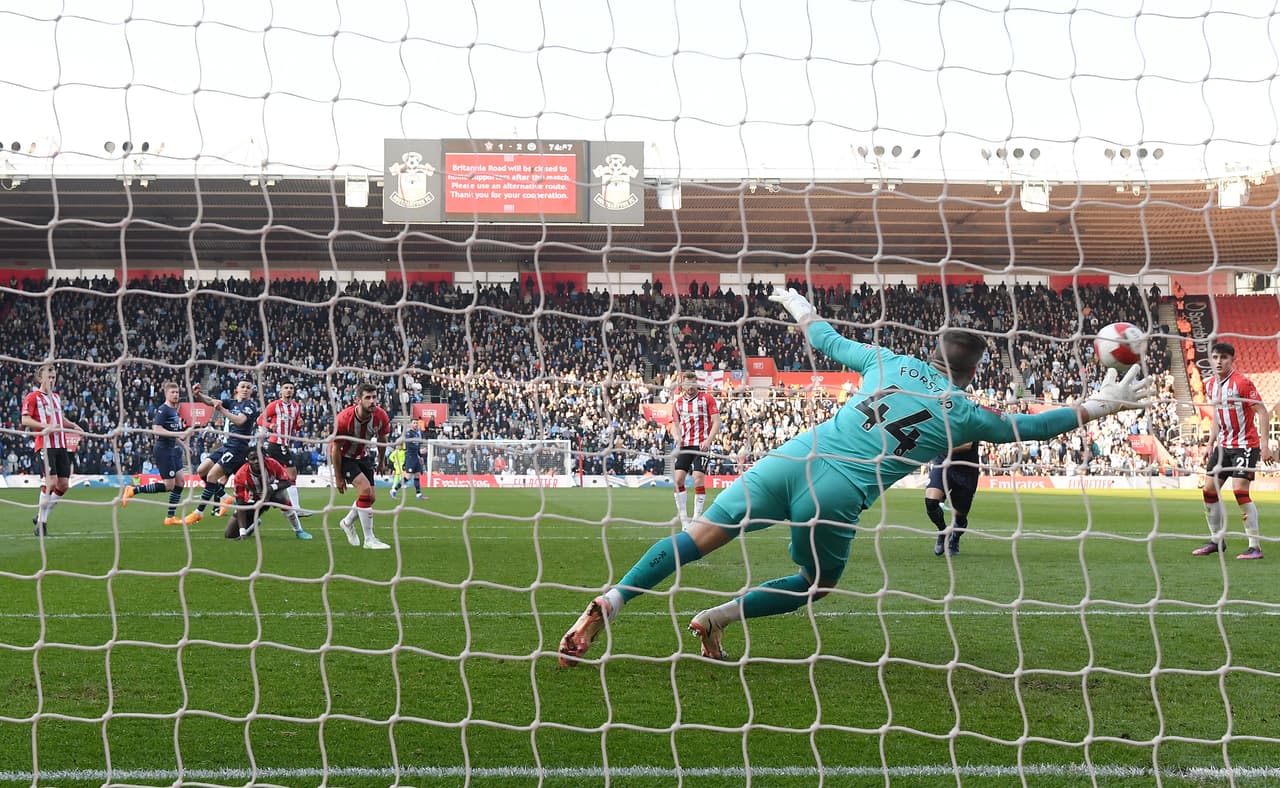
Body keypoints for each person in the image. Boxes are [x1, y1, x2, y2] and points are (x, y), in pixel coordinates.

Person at [558, 288, 1154, 666]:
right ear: (973, 372)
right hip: (837, 493)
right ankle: (716, 619)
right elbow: (1032, 426)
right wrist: (1097, 407)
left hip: (790, 458)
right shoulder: (965, 411)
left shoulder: (888, 360)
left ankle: (610, 602)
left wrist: (801, 307)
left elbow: (826, 339)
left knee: (695, 539)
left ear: (933, 350)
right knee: (814, 583)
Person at [1192, 342, 1274, 559]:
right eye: (1215, 357)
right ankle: (1216, 541)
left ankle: (1255, 547)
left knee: (1239, 491)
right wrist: (1210, 443)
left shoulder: (1242, 383)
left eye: (1224, 358)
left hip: (1245, 445)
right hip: (1223, 447)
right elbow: (1218, 417)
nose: (1219, 362)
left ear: (1231, 360)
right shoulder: (1210, 385)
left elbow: (1262, 412)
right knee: (1209, 491)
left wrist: (1265, 445)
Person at [20, 364, 86, 537]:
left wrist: (73, 426)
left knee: (63, 485)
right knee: (51, 482)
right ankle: (41, 524)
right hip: (45, 445)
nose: (51, 380)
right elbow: (25, 420)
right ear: (40, 379)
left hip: (61, 445)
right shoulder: (32, 397)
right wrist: (45, 426)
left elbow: (60, 418)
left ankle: (41, 516)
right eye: (48, 377)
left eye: (53, 377)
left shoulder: (56, 397)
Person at [184, 379, 260, 525]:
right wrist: (198, 395)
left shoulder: (250, 405)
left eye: (248, 387)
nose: (245, 389)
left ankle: (198, 512)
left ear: (251, 391)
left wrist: (222, 410)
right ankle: (225, 497)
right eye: (243, 386)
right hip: (227, 445)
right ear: (237, 389)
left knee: (212, 476)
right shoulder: (232, 402)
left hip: (238, 447)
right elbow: (211, 402)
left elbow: (240, 420)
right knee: (201, 470)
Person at [332, 382, 392, 550]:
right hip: (344, 457)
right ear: (358, 400)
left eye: (374, 397)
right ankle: (369, 539)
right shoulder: (344, 419)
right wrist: (338, 477)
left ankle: (347, 522)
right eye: (367, 398)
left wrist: (381, 461)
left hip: (363, 456)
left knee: (371, 497)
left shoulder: (380, 416)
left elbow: (382, 439)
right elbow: (335, 449)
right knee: (365, 491)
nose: (372, 401)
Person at [121, 380, 188, 525]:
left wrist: (183, 445)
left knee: (180, 482)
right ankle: (133, 490)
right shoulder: (163, 410)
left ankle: (170, 517)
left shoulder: (174, 411)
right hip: (164, 450)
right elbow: (157, 429)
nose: (176, 395)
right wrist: (178, 434)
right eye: (173, 392)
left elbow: (172, 433)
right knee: (169, 486)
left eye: (177, 392)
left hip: (173, 450)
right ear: (166, 394)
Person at [222, 446, 312, 540]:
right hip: (252, 502)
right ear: (247, 460)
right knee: (229, 534)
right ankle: (253, 525)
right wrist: (242, 532)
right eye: (253, 459)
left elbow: (287, 482)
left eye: (259, 458)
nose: (257, 461)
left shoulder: (273, 464)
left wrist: (272, 488)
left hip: (271, 495)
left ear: (264, 457)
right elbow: (240, 505)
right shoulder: (240, 476)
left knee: (281, 498)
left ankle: (299, 530)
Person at [670, 371, 722, 530]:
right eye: (687, 384)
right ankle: (684, 519)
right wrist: (677, 437)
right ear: (683, 384)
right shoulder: (678, 403)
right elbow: (675, 425)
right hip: (685, 445)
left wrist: (708, 441)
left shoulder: (707, 399)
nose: (690, 387)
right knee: (678, 480)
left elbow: (717, 422)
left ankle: (697, 518)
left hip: (701, 444)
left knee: (698, 478)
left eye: (693, 384)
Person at [259, 381, 312, 516]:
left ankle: (263, 498)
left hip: (283, 445)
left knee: (270, 475)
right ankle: (295, 508)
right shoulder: (274, 405)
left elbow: (295, 426)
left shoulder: (296, 407)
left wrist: (299, 425)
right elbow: (260, 420)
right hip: (275, 444)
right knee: (291, 475)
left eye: (291, 388)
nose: (289, 390)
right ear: (281, 391)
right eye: (286, 388)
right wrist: (270, 426)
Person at [924, 442, 981, 557]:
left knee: (960, 516)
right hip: (943, 462)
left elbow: (967, 445)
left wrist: (938, 447)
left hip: (967, 468)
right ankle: (943, 531)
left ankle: (954, 539)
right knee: (931, 501)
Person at [390, 420, 427, 500]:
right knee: (408, 476)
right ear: (411, 424)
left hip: (415, 457)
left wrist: (420, 456)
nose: (416, 424)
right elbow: (409, 445)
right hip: (410, 457)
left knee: (417, 475)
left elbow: (417, 446)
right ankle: (394, 490)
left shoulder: (417, 434)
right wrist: (419, 450)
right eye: (414, 423)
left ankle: (418, 494)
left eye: (416, 423)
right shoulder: (408, 433)